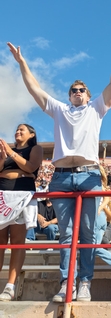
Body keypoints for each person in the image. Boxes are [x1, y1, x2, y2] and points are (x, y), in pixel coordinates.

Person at [7, 33, 111, 302]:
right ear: (69, 95)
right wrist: (21, 62)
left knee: (86, 233)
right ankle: (67, 282)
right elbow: (34, 89)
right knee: (66, 234)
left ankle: (84, 282)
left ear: (87, 95)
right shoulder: (60, 110)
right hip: (61, 176)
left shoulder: (96, 108)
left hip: (88, 175)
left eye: (81, 90)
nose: (77, 93)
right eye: (73, 90)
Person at [0, 124, 43, 301]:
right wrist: (2, 158)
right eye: (16, 129)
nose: (17, 131)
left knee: (17, 241)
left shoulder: (35, 148)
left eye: (22, 129)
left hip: (22, 195)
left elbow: (31, 167)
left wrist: (11, 153)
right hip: (2, 193)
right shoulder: (6, 150)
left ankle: (10, 285)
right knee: (0, 241)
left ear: (31, 134)